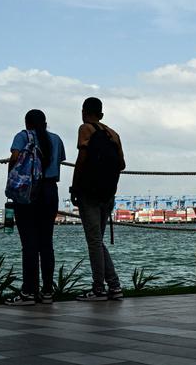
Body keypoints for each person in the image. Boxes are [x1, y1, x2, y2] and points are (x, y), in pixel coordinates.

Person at [6, 110, 65, 306]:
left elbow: (15, 158)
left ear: (26, 123)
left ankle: (29, 292)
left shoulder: (22, 136)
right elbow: (58, 162)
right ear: (45, 123)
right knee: (46, 243)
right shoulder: (56, 139)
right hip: (50, 191)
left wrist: (11, 181)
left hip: (28, 192)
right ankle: (47, 292)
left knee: (29, 244)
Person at [70, 97, 125, 301]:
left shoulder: (85, 129)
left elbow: (82, 158)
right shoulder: (113, 134)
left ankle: (98, 289)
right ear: (101, 114)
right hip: (108, 194)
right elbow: (122, 164)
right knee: (98, 242)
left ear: (84, 112)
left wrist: (75, 187)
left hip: (89, 194)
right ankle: (114, 286)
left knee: (94, 243)